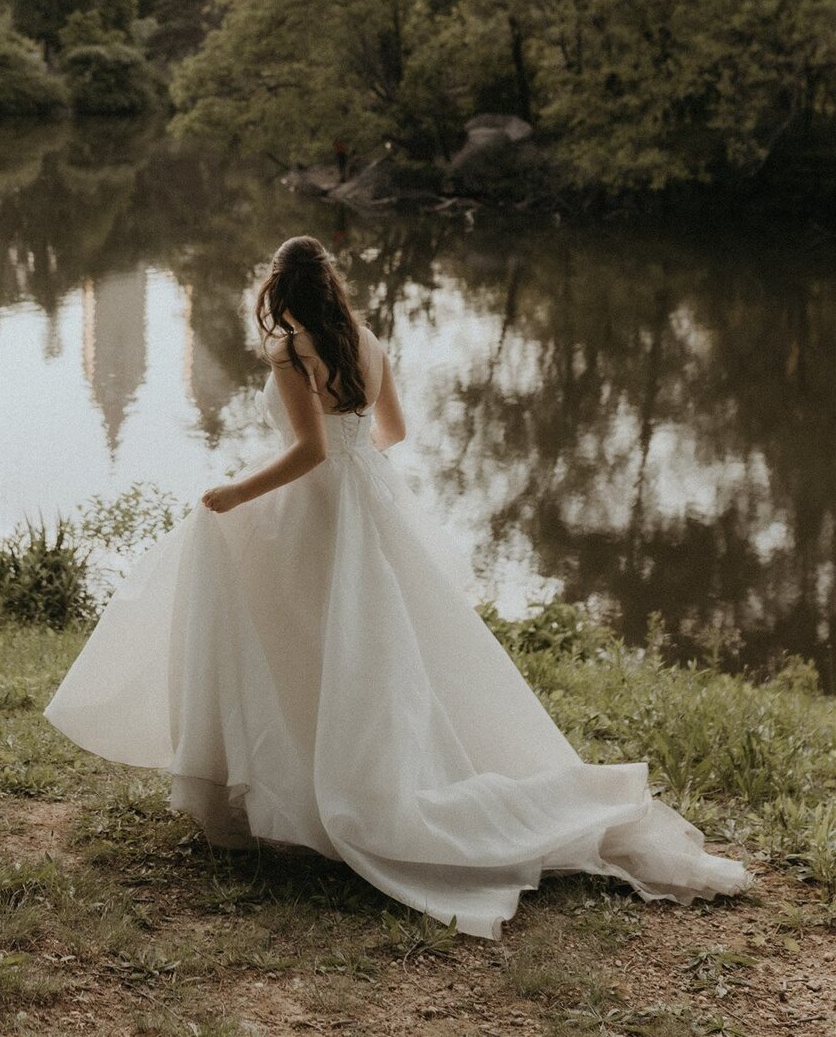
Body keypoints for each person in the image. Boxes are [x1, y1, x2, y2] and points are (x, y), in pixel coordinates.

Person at [42, 234, 755, 940]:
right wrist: (354, 474)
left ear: (280, 293)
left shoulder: (290, 350)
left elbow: (309, 449)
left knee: (291, 631)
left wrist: (235, 489)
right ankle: (324, 782)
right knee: (370, 654)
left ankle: (311, 793)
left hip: (318, 511)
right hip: (367, 503)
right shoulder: (365, 339)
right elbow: (392, 429)